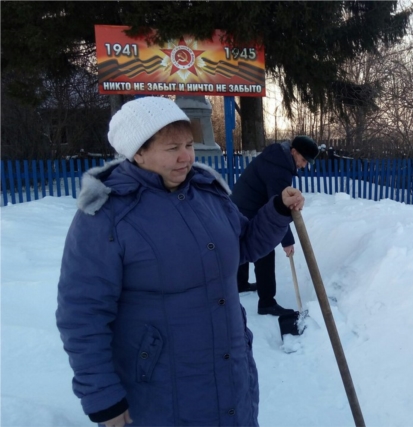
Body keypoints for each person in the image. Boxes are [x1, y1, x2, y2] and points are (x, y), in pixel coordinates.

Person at [56, 96, 305, 427]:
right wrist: (102, 397)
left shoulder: (208, 193)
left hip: (230, 372)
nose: (186, 156)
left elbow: (242, 246)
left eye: (188, 144)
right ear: (138, 152)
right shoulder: (107, 215)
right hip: (160, 390)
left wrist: (275, 213)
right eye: (172, 147)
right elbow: (82, 314)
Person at [231, 135, 319, 316]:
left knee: (241, 241)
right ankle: (267, 303)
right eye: (303, 160)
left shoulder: (276, 157)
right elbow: (279, 206)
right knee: (264, 248)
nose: (304, 165)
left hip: (237, 207)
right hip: (247, 209)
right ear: (293, 151)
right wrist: (287, 240)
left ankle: (240, 283)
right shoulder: (279, 168)